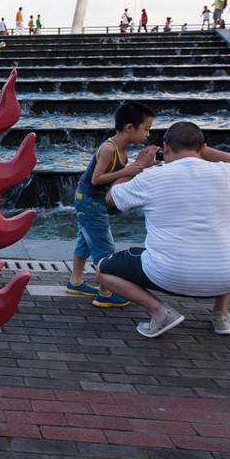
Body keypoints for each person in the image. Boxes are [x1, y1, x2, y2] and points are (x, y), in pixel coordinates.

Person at [99, 121, 230, 338]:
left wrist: (138, 165)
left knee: (104, 269)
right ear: (203, 148)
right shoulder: (229, 173)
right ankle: (221, 315)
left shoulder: (151, 177)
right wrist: (203, 149)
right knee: (218, 247)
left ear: (165, 147)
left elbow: (112, 198)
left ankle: (160, 312)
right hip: (229, 275)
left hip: (169, 274)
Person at [65, 101, 157, 307]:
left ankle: (76, 281)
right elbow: (97, 179)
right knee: (103, 247)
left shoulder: (122, 150)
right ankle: (106, 293)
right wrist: (128, 170)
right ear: (129, 128)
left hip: (90, 200)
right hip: (89, 201)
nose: (148, 134)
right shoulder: (109, 148)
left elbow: (114, 180)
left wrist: (139, 166)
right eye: (146, 129)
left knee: (85, 241)